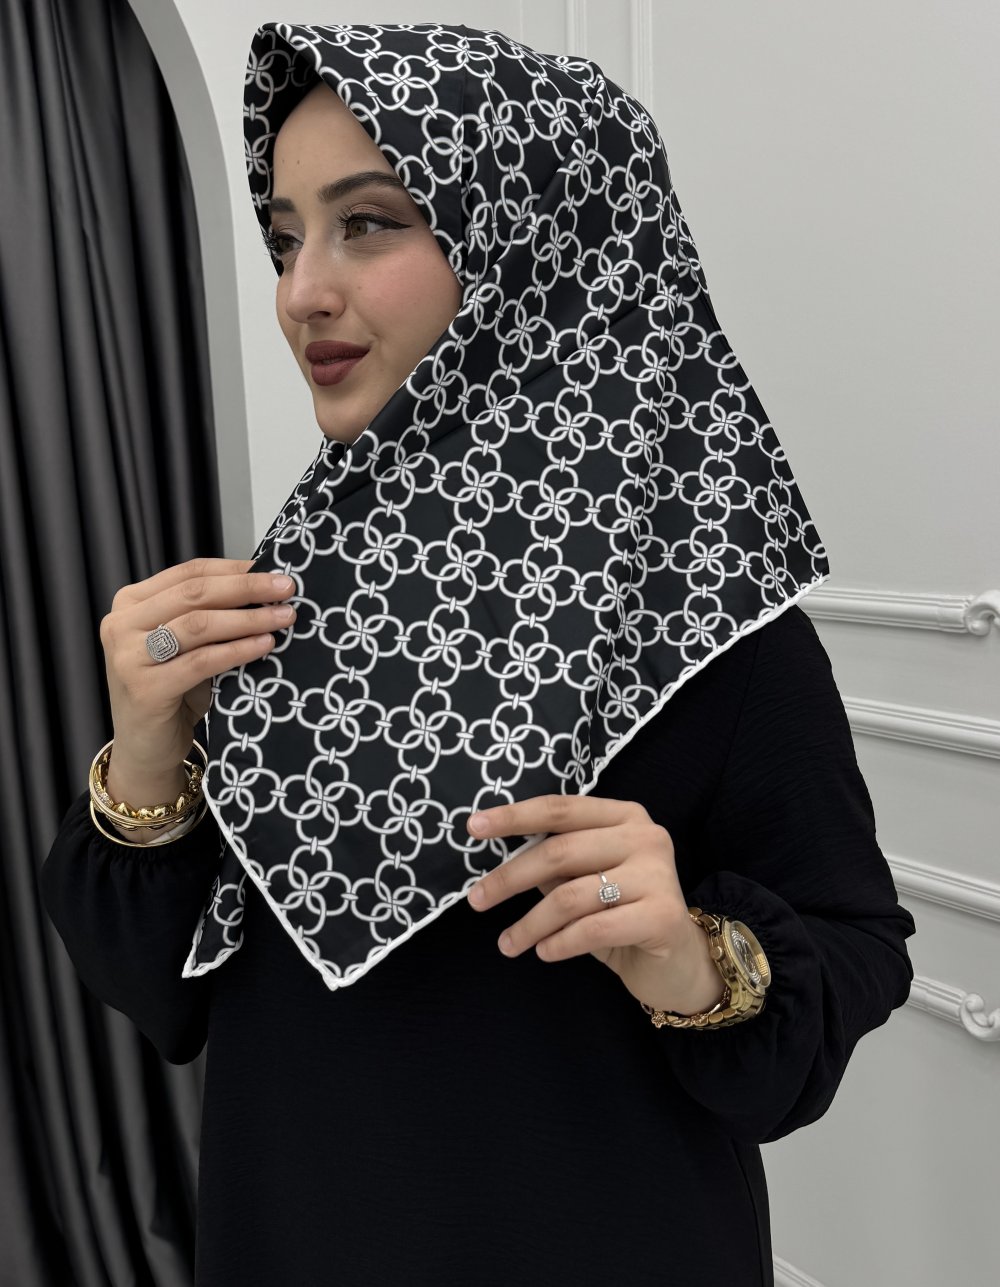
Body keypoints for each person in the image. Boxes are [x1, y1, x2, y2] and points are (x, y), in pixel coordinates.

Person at [42, 22, 915, 1287]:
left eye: (369, 222)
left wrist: (690, 954)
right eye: (285, 237)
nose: (300, 292)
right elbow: (159, 994)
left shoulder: (701, 618)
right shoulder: (278, 596)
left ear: (535, 238)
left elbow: (853, 951)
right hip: (290, 1238)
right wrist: (144, 752)